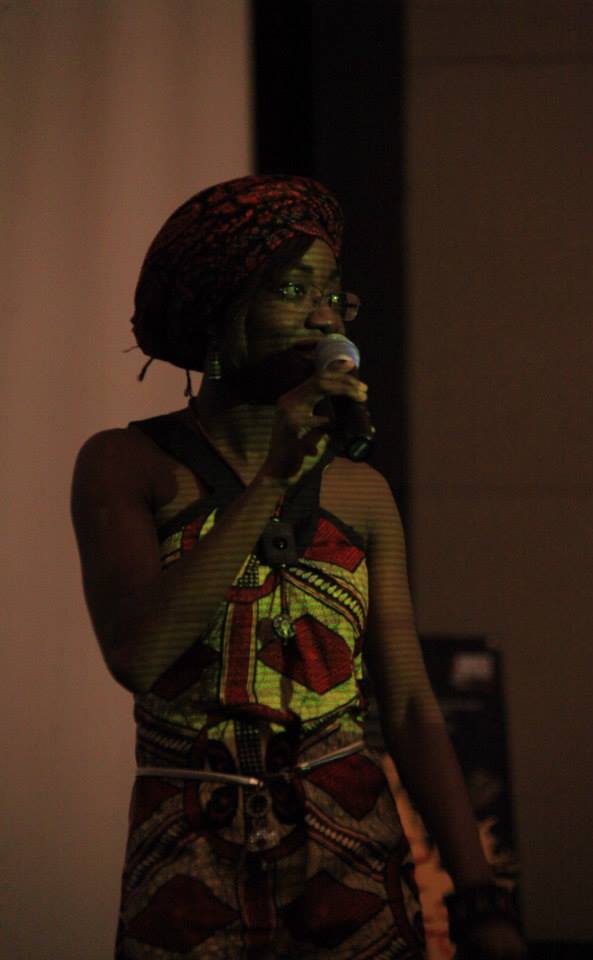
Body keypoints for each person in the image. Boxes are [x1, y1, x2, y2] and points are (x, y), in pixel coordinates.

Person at [71, 175, 526, 959]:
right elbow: (138, 654)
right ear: (220, 313)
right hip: (189, 860)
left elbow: (409, 705)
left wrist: (479, 897)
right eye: (292, 290)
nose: (323, 317)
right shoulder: (126, 463)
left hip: (353, 854)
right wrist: (272, 480)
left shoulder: (361, 492)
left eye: (333, 295)